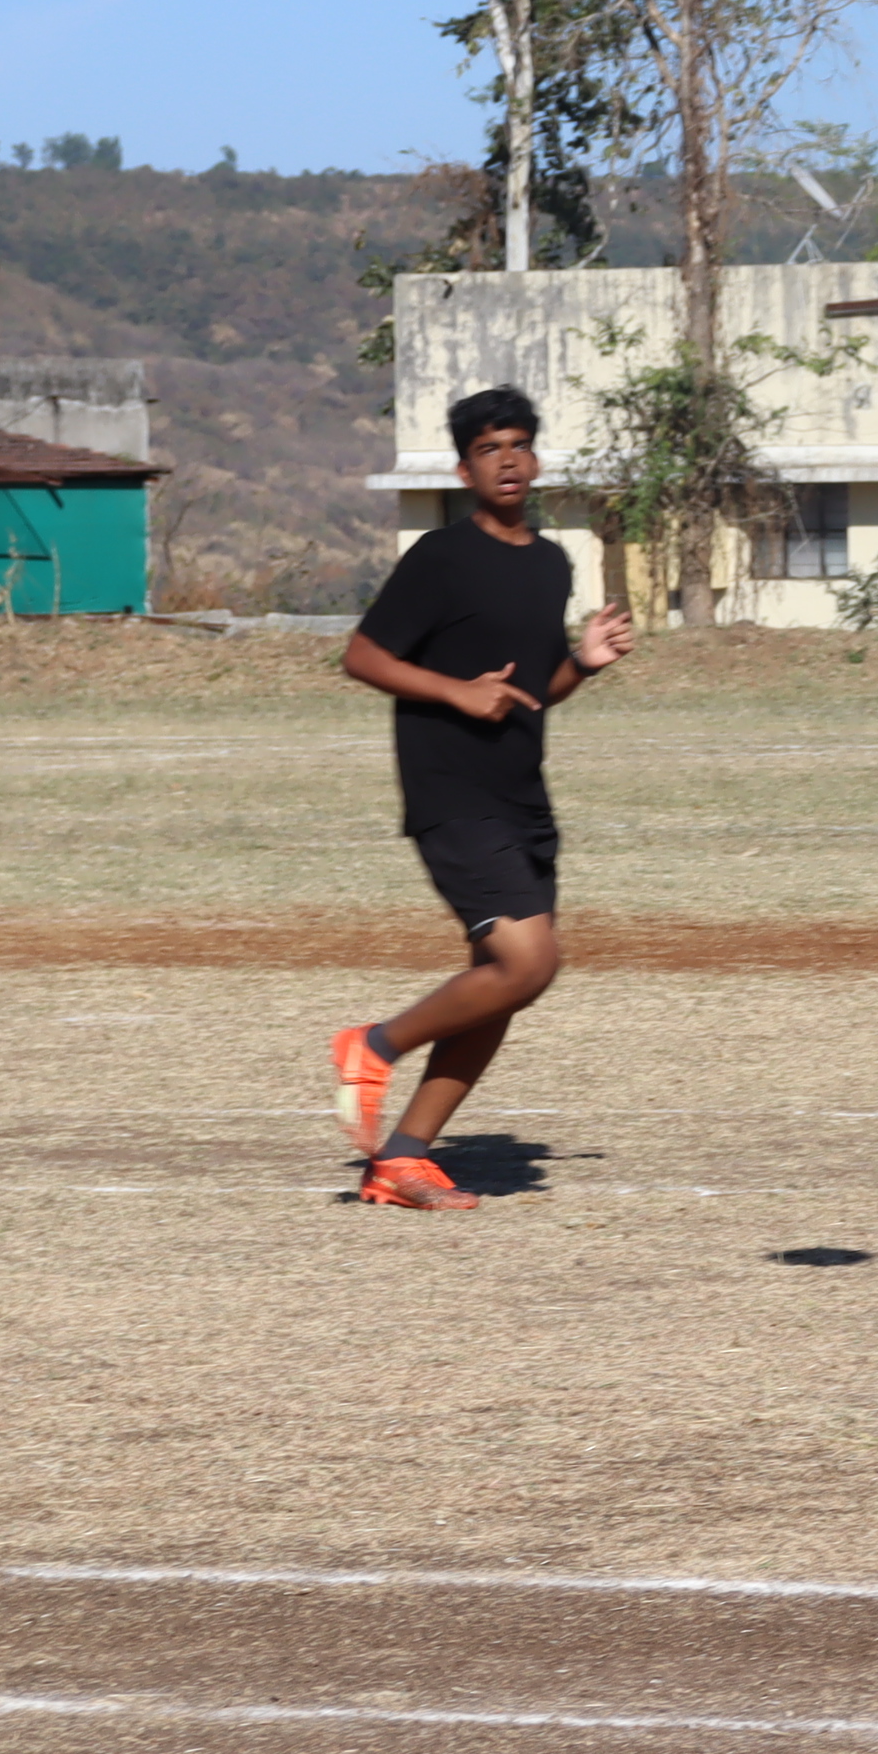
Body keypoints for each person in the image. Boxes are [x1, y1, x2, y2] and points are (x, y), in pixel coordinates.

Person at [326, 385, 633, 1210]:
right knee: (529, 962)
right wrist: (455, 693)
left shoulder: (550, 563)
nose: (509, 459)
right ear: (466, 469)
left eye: (521, 444)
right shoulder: (440, 557)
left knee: (503, 985)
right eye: (491, 447)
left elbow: (537, 691)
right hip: (450, 794)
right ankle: (372, 1045)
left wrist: (584, 661)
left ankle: (403, 1158)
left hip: (522, 797)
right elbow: (362, 656)